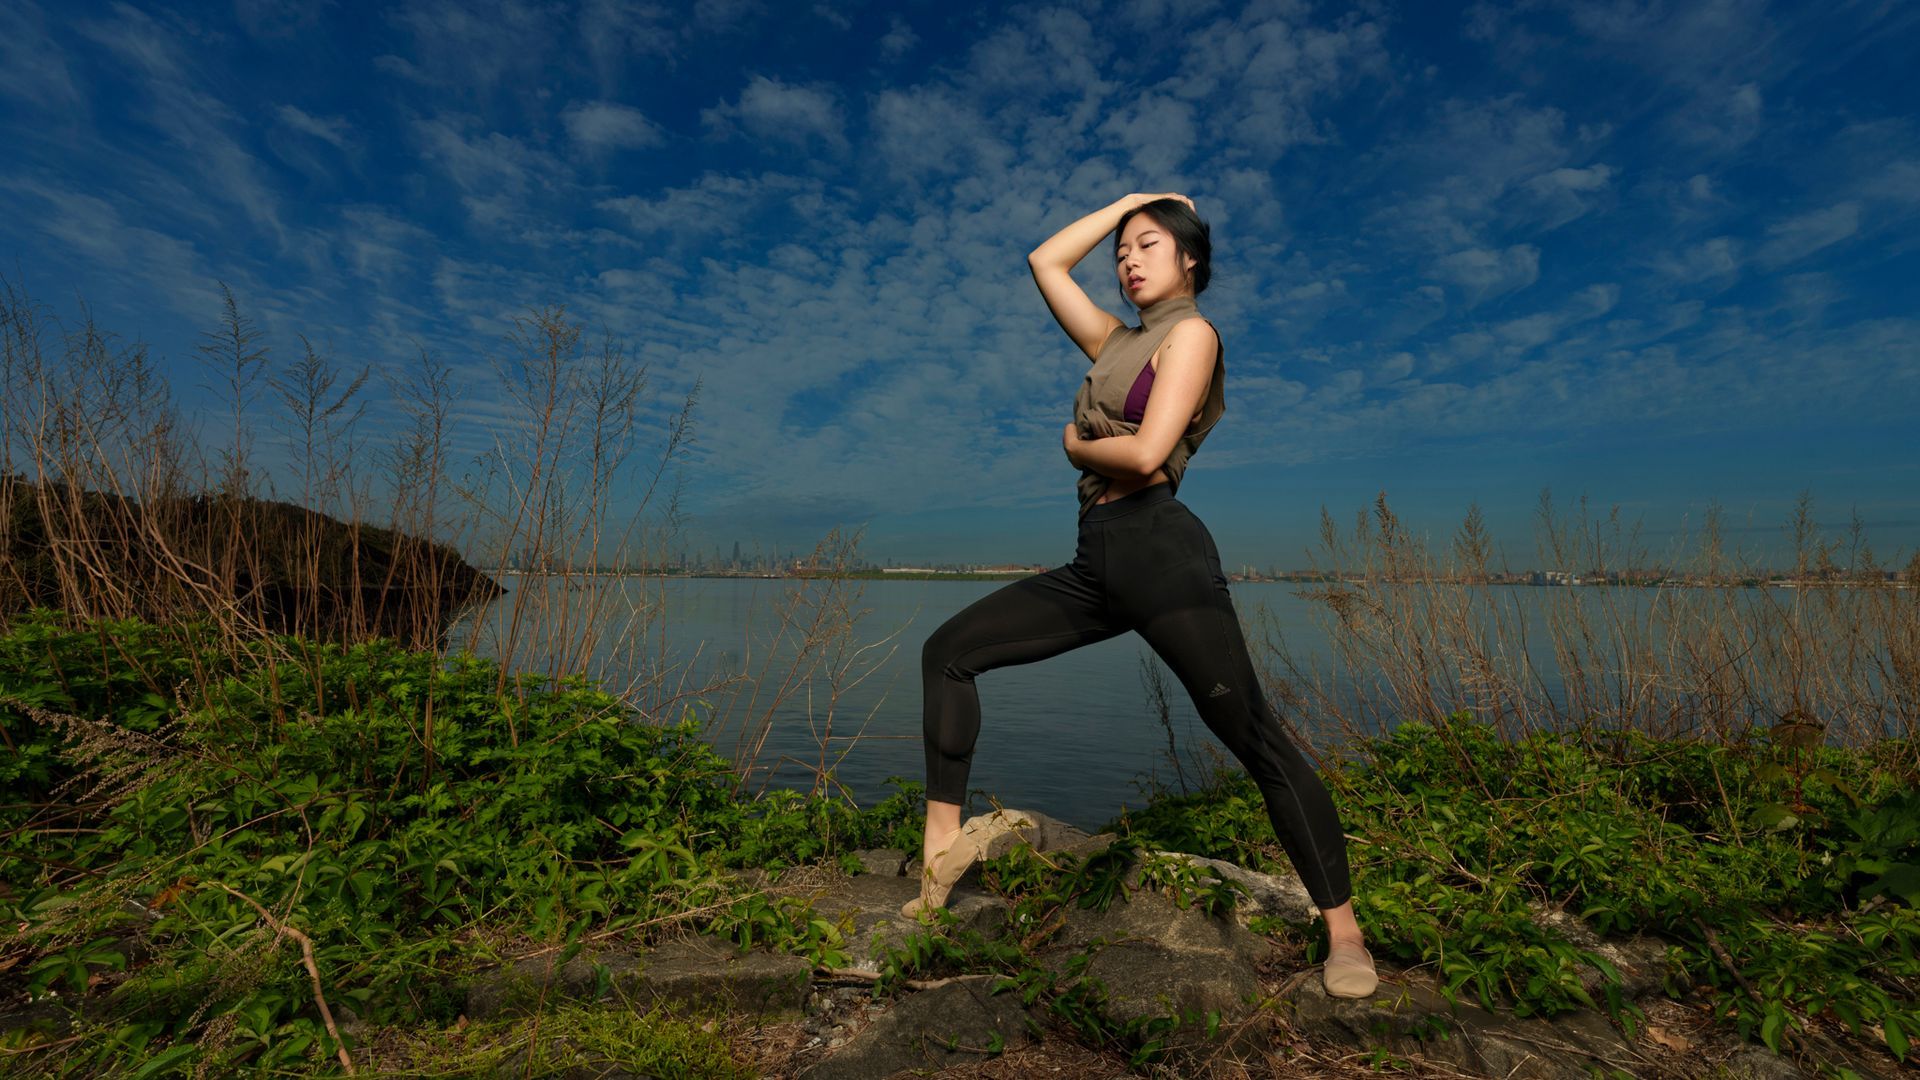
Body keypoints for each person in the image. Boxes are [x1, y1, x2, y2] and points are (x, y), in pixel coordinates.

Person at [902, 192, 1378, 998]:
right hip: (1098, 561)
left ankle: (1345, 935)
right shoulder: (1115, 342)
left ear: (1190, 259)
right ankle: (938, 860)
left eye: (1147, 244)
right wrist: (1130, 201)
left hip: (1162, 555)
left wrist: (1071, 443)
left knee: (1255, 739)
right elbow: (1044, 262)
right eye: (1123, 250)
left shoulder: (1192, 335)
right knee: (948, 653)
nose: (1127, 259)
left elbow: (1152, 452)